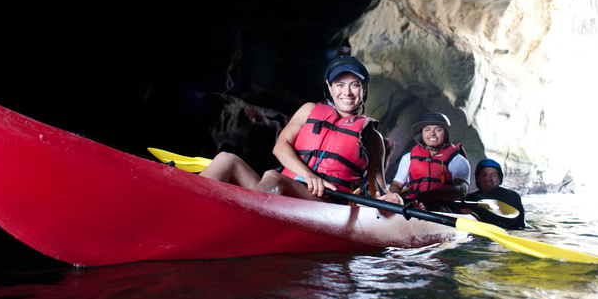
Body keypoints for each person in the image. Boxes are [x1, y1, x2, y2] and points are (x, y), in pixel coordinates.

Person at [200, 55, 402, 204]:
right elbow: (280, 146)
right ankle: (191, 203)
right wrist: (308, 175)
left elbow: (378, 189)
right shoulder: (309, 110)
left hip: (324, 204)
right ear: (330, 89)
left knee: (273, 177)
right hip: (282, 190)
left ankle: (239, 218)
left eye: (355, 85)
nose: (347, 92)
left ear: (364, 89)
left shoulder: (372, 137)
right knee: (227, 159)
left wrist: (392, 199)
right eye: (340, 85)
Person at [388, 113, 470, 211]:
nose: (432, 133)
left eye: (438, 129)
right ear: (422, 134)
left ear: (446, 134)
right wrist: (396, 198)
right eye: (427, 129)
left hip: (443, 208)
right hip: (411, 205)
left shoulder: (457, 160)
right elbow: (396, 185)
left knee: (436, 208)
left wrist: (431, 196)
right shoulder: (408, 158)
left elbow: (462, 190)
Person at [466, 158, 526, 230]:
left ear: (499, 179)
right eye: (484, 175)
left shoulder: (512, 197)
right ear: (478, 178)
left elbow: (520, 225)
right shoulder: (469, 200)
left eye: (494, 175)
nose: (489, 179)